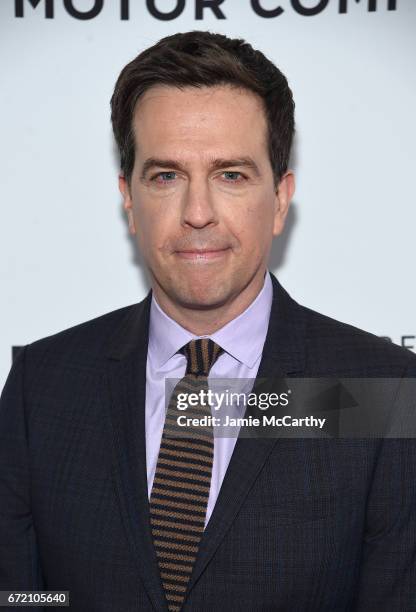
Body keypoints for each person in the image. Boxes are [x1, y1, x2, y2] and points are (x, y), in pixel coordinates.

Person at [0, 30, 415, 612]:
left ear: (279, 199)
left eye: (231, 175)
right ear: (128, 197)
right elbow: (21, 597)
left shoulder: (383, 391)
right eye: (166, 176)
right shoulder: (42, 384)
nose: (197, 214)